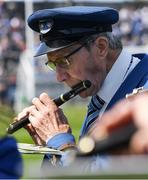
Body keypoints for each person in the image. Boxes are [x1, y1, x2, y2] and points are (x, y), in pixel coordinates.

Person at [17, 6, 148, 167]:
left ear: (101, 47)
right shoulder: (100, 90)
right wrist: (51, 143)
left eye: (64, 61)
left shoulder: (143, 103)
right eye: (53, 64)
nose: (59, 77)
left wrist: (60, 141)